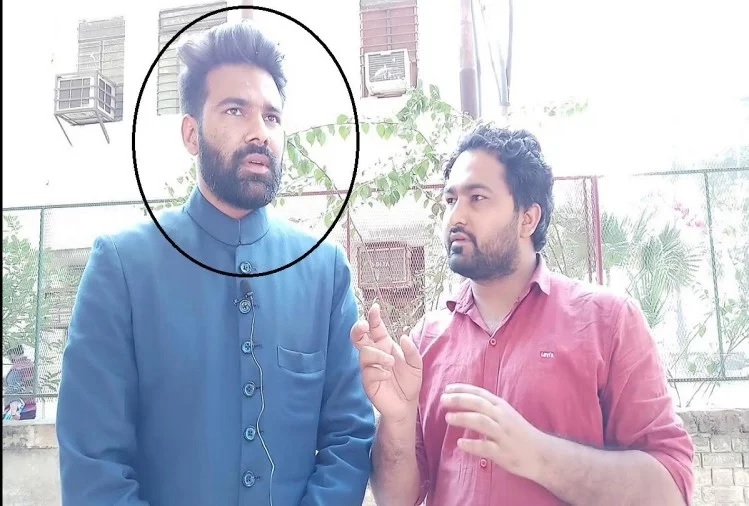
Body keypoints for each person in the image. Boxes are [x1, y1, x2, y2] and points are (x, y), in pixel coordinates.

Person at [56, 21, 374, 506]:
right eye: (235, 110)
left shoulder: (323, 271)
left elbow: (348, 439)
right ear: (192, 133)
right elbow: (93, 464)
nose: (259, 132)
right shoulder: (123, 267)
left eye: (272, 116)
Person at [351, 124, 695, 505]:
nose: (456, 217)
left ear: (528, 219)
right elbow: (395, 499)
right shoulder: (425, 341)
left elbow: (670, 490)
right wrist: (398, 420)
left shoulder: (607, 323)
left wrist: (539, 455)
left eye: (477, 198)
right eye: (450, 200)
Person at [3, 345, 36, 421]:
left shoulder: (17, 368)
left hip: (18, 410)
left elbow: (13, 389)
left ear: (13, 354)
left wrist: (13, 412)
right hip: (31, 406)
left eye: (9, 355)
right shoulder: (30, 365)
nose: (9, 358)